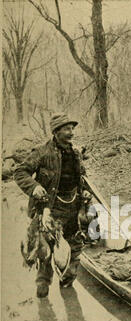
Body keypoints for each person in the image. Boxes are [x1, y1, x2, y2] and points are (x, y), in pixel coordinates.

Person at [14, 113, 92, 298]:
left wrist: (85, 192)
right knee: (45, 250)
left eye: (72, 129)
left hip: (73, 208)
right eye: (66, 129)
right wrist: (34, 188)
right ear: (56, 132)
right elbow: (20, 172)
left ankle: (67, 283)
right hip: (50, 208)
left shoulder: (75, 153)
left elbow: (82, 178)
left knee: (74, 248)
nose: (71, 133)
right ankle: (43, 284)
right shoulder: (41, 152)